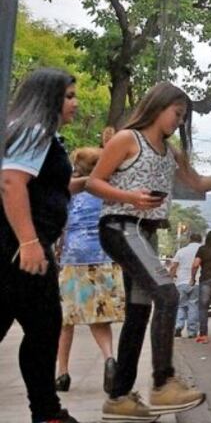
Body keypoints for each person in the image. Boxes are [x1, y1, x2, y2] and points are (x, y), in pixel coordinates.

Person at [87, 82, 211, 420]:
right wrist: (131, 197)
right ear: (158, 105)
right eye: (177, 114)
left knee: (139, 313)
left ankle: (119, 398)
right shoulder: (127, 139)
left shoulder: (172, 152)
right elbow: (94, 182)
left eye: (183, 119)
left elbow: (199, 184)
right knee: (168, 294)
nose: (179, 122)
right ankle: (163, 383)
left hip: (145, 233)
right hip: (120, 227)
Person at [0, 68, 82, 423]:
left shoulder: (36, 134)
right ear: (47, 98)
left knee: (42, 327)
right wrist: (29, 242)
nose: (75, 103)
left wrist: (90, 182)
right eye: (69, 96)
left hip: (21, 247)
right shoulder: (32, 131)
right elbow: (10, 183)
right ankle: (47, 412)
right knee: (45, 327)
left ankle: (47, 411)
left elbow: (45, 187)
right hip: (19, 249)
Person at [55, 147, 126, 395]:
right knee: (99, 317)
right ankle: (109, 358)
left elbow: (60, 222)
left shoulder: (71, 191)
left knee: (65, 320)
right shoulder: (108, 190)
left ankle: (62, 373)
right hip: (105, 256)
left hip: (74, 259)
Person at [170, 232, 201, 338]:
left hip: (181, 282)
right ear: (200, 240)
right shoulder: (202, 250)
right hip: (196, 282)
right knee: (194, 306)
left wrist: (171, 279)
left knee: (180, 305)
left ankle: (178, 326)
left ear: (190, 240)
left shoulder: (181, 251)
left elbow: (173, 267)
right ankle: (192, 331)